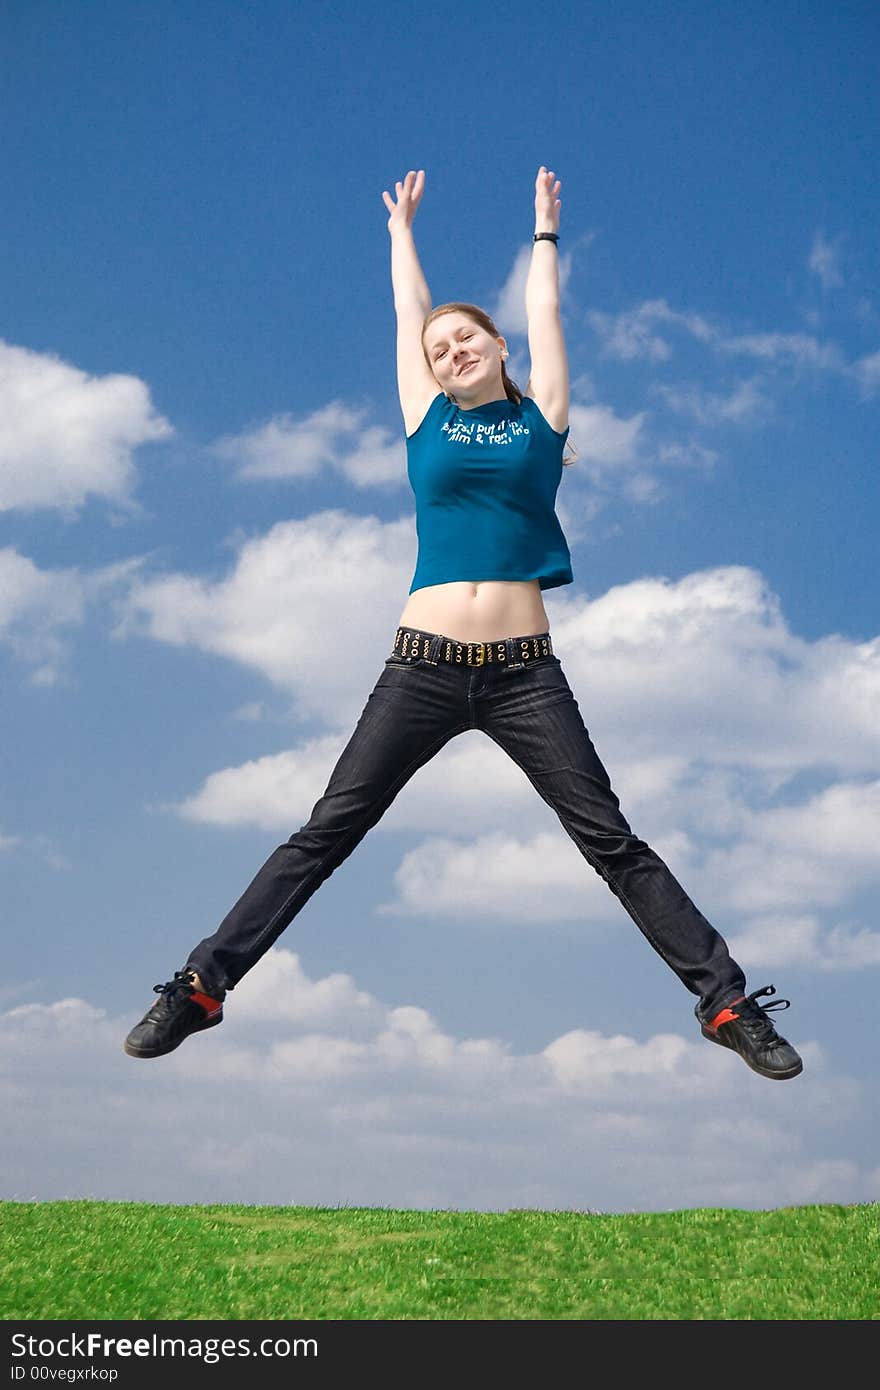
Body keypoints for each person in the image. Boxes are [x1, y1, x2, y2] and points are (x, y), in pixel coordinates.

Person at [124, 167, 802, 1082]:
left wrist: (545, 234)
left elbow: (549, 312)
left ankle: (726, 1004)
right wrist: (402, 231)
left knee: (610, 838)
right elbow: (406, 313)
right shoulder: (424, 418)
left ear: (497, 344)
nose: (449, 353)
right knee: (326, 831)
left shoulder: (543, 419)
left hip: (526, 672)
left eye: (465, 339)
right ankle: (199, 989)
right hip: (422, 665)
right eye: (439, 348)